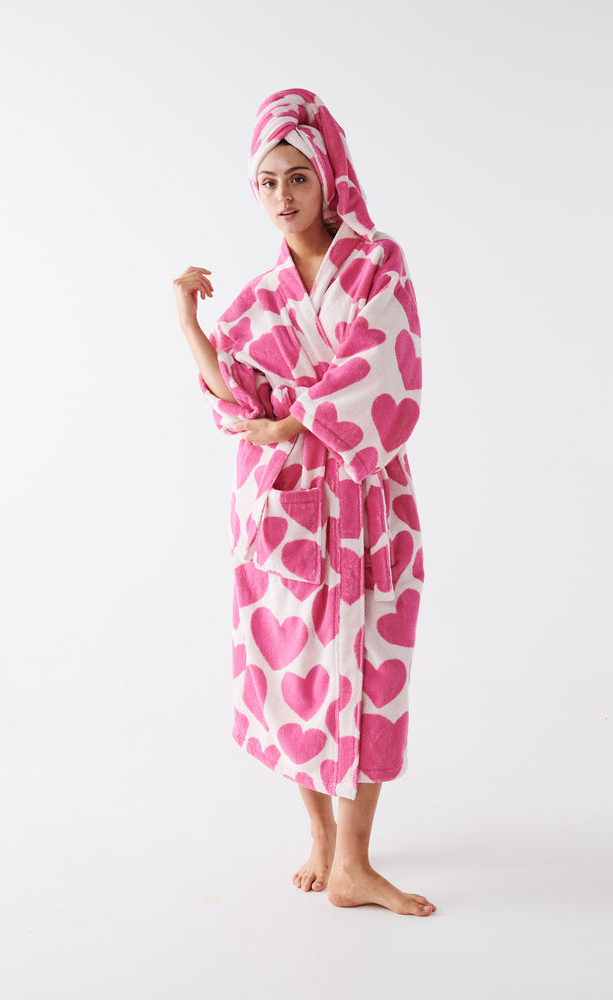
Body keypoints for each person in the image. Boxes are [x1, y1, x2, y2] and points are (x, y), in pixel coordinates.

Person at [173, 89, 434, 916]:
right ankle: (322, 840)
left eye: (297, 177)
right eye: (267, 181)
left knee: (371, 673)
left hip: (368, 500)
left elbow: (387, 368)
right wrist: (189, 324)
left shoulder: (378, 263)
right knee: (299, 671)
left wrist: (298, 417)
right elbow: (237, 401)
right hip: (285, 507)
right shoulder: (257, 301)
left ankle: (355, 862)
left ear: (328, 175)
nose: (282, 196)